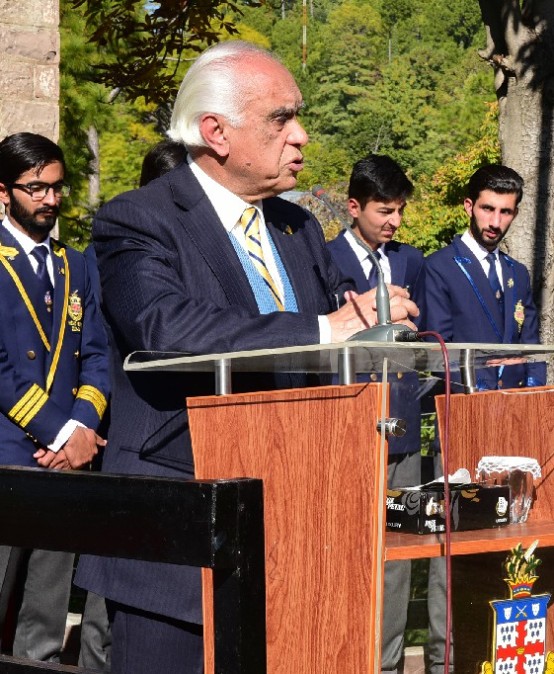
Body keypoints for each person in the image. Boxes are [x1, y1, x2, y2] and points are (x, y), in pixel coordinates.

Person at [74, 40, 419, 674]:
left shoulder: (297, 225)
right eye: (281, 118)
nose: (301, 136)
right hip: (179, 538)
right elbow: (164, 327)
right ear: (217, 132)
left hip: (299, 527)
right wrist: (327, 327)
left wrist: (371, 326)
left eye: (298, 117)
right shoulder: (138, 218)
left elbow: (327, 342)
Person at [424, 164, 546, 673]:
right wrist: (485, 402)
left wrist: (532, 404)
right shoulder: (439, 267)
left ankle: (504, 656)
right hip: (464, 422)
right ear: (469, 206)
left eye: (507, 212)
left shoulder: (517, 274)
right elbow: (441, 347)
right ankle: (447, 659)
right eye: (489, 209)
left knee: (514, 543)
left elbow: (531, 347)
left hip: (516, 430)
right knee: (455, 546)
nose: (496, 221)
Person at [78, 137, 189, 674]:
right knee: (112, 587)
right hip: (117, 429)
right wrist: (82, 423)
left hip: (164, 443)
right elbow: (93, 345)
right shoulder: (118, 246)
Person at [0, 132, 110, 663]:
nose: (49, 199)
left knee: (44, 622)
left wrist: (83, 430)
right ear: (4, 192)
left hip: (66, 465)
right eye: (36, 188)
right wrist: (61, 432)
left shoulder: (76, 264)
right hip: (8, 458)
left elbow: (97, 355)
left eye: (57, 187)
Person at [327, 154, 425, 674]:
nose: (395, 221)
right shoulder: (324, 260)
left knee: (398, 558)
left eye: (400, 211)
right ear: (354, 206)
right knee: (349, 551)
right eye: (384, 210)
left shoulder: (411, 262)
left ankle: (388, 664)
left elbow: (427, 340)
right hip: (348, 427)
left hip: (402, 430)